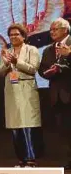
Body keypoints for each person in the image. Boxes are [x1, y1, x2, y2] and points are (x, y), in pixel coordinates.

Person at [0, 24, 42, 167]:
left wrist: (17, 61)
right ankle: (21, 159)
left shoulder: (31, 50)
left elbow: (33, 68)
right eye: (11, 35)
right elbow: (0, 72)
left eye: (16, 34)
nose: (13, 37)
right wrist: (5, 63)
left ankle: (31, 159)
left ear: (23, 36)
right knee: (15, 127)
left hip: (26, 91)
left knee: (27, 125)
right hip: (11, 91)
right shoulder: (8, 51)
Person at [38, 18, 71, 170]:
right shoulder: (48, 50)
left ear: (65, 29)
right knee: (64, 130)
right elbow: (42, 70)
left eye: (55, 29)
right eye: (51, 29)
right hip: (56, 96)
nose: (52, 32)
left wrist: (69, 55)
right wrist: (49, 72)